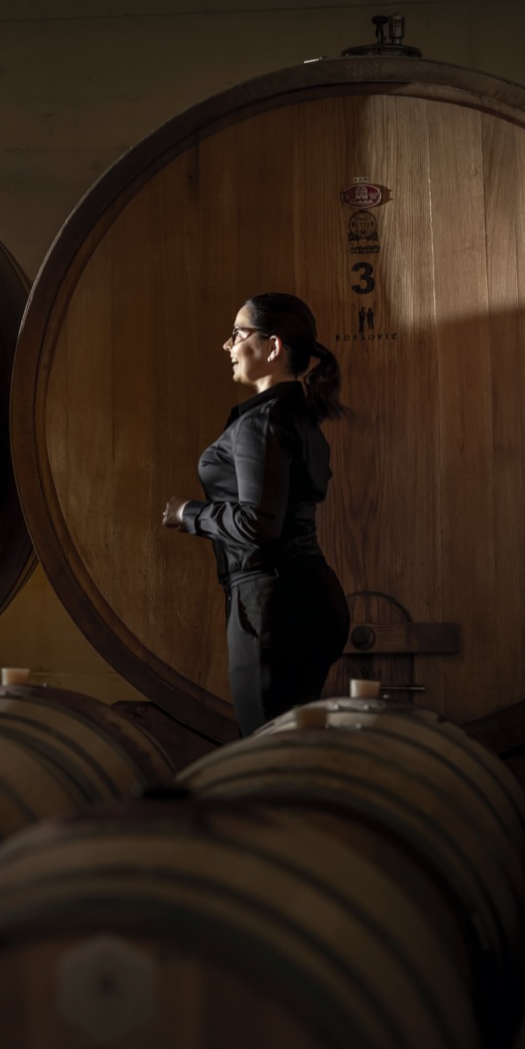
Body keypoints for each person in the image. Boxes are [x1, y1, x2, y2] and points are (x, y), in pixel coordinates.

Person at [161, 292, 351, 736]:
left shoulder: (261, 423)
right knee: (292, 751)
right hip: (306, 598)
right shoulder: (299, 417)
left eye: (237, 334)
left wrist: (189, 512)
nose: (227, 346)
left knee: (267, 753)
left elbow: (258, 526)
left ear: (273, 347)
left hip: (273, 608)